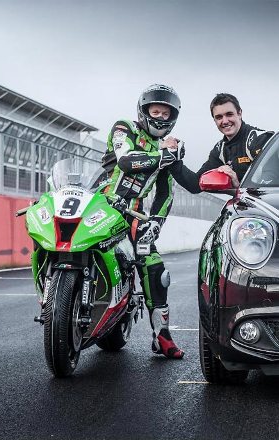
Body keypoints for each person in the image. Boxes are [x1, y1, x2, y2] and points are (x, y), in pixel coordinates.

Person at [100, 84, 184, 359]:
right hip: (102, 204)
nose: (160, 117)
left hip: (133, 212)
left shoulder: (166, 150)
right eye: (155, 111)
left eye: (165, 113)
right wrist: (163, 155)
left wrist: (156, 223)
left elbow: (165, 192)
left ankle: (162, 337)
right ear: (144, 111)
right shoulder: (124, 128)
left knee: (155, 267)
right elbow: (126, 161)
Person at [169, 93, 274, 191]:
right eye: (219, 117)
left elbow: (269, 187)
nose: (225, 121)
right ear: (214, 120)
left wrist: (238, 186)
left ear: (239, 113)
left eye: (229, 114)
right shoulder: (220, 150)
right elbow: (196, 185)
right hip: (243, 202)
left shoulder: (260, 139)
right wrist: (172, 158)